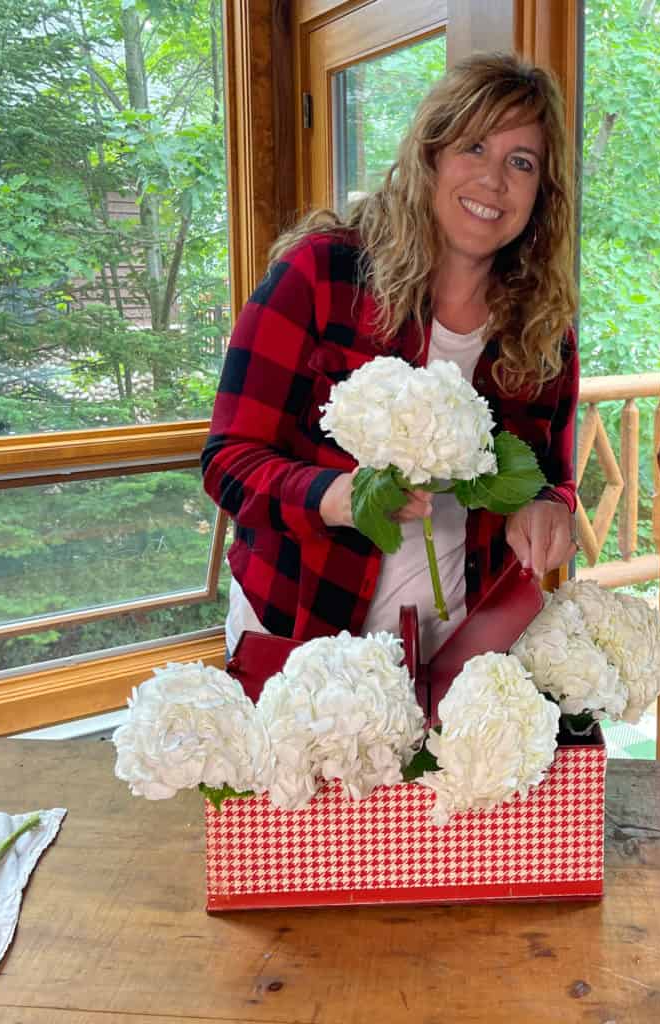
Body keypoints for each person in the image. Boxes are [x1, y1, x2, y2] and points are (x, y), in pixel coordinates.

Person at [202, 51, 580, 659]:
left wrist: (546, 508)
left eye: (521, 162)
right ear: (430, 155)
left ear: (542, 192)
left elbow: (554, 480)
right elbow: (228, 462)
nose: (494, 180)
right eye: (473, 147)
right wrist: (338, 497)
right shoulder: (322, 277)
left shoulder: (542, 332)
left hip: (462, 652)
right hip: (301, 633)